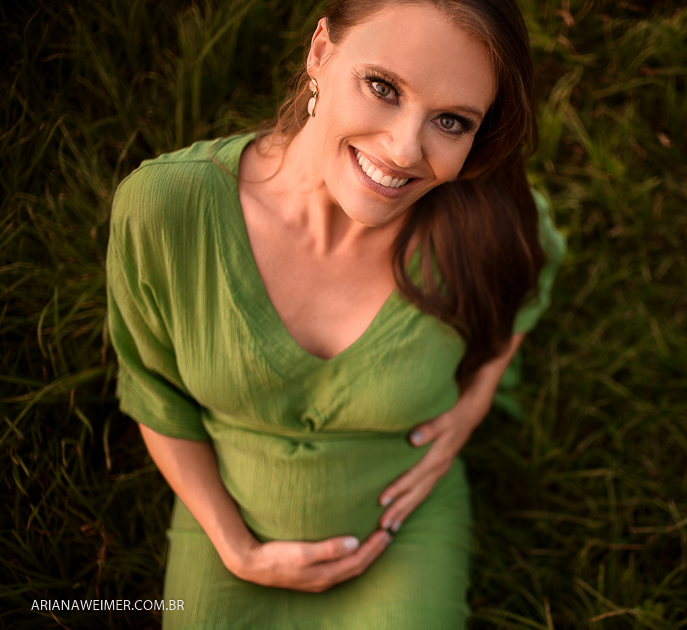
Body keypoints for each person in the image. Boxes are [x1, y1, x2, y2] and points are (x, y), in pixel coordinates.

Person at [106, 0, 565, 626]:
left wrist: (475, 400)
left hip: (401, 532)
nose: (404, 150)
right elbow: (153, 390)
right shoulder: (167, 208)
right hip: (227, 524)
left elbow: (533, 271)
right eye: (383, 88)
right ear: (320, 51)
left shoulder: (483, 222)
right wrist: (238, 551)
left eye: (451, 121)